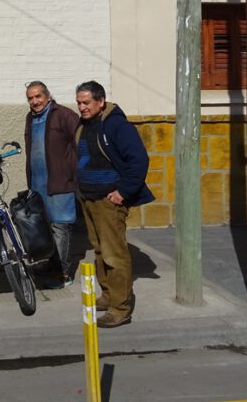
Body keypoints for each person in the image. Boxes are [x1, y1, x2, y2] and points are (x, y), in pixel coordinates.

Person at [74, 80, 154, 328]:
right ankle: (108, 295)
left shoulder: (117, 125)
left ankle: (120, 309)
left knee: (114, 254)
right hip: (89, 197)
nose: (82, 107)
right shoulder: (85, 124)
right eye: (79, 103)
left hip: (109, 200)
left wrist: (124, 191)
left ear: (100, 101)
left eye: (86, 102)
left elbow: (139, 160)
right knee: (99, 250)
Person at [23, 81, 80, 288]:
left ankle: (64, 273)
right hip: (38, 184)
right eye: (30, 98)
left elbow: (80, 144)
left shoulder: (64, 115)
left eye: (38, 96)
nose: (34, 101)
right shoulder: (31, 117)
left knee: (60, 226)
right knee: (45, 228)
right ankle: (51, 264)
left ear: (48, 96)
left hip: (60, 182)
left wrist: (72, 171)